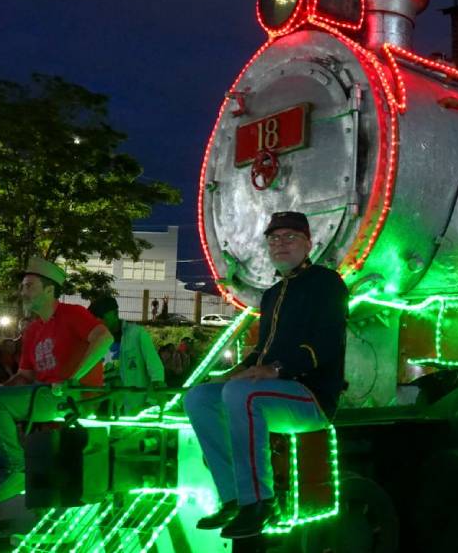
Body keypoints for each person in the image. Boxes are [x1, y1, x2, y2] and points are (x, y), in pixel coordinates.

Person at [184, 211, 348, 539]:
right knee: (199, 397)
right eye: (274, 239)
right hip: (273, 391)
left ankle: (259, 502)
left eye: (290, 237)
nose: (280, 244)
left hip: (311, 396)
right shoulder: (272, 294)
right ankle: (232, 498)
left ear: (308, 244)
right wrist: (234, 372)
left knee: (241, 394)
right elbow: (263, 351)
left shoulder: (327, 283)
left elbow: (327, 343)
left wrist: (276, 369)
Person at [0, 256, 111, 503]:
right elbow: (25, 375)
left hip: (71, 396)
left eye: (29, 286)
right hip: (46, 394)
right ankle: (10, 469)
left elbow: (104, 338)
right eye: (23, 286)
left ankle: (15, 468)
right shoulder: (33, 329)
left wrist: (73, 378)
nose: (22, 292)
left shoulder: (72, 314)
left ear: (49, 289)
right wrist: (1, 388)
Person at [88, 296, 165, 416]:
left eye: (102, 317)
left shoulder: (136, 334)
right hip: (101, 405)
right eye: (95, 318)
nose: (99, 322)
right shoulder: (93, 338)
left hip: (134, 407)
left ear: (115, 313)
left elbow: (155, 369)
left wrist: (150, 403)